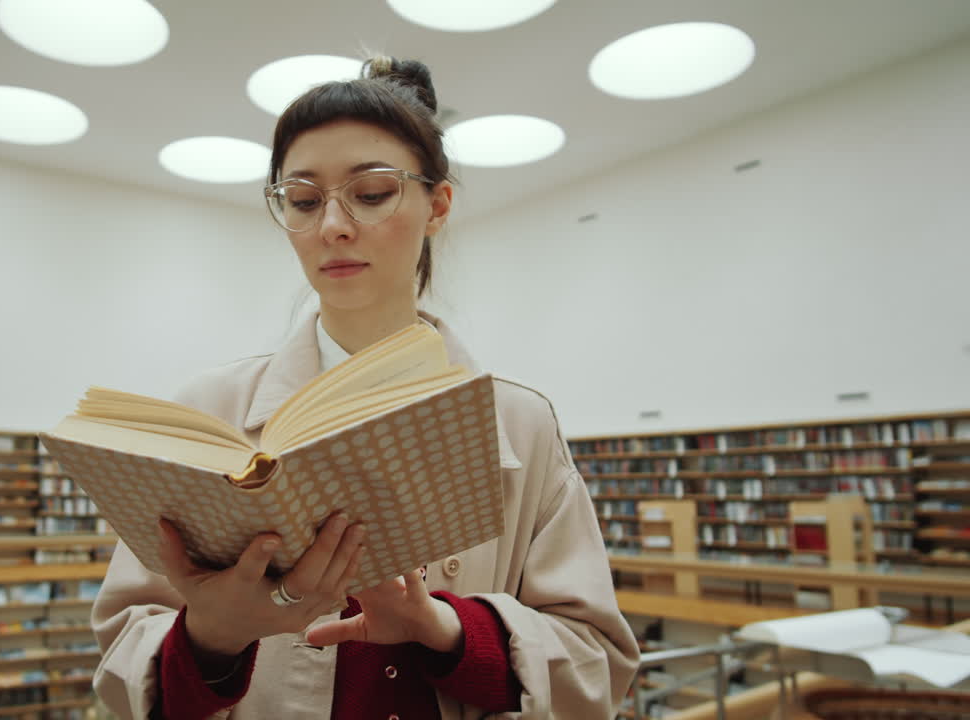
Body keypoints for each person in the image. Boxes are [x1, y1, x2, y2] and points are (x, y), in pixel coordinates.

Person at [90, 56, 639, 719]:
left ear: (437, 205)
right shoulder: (206, 414)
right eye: (303, 199)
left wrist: (440, 628)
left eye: (372, 192)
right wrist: (214, 635)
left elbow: (599, 668)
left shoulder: (522, 423)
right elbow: (119, 669)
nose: (333, 226)